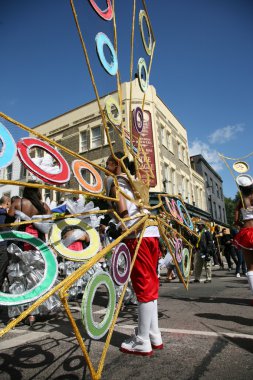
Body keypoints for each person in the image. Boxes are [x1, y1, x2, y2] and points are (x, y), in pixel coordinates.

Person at [105, 152, 162, 356]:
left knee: (143, 286)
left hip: (137, 235)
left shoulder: (116, 183)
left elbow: (124, 213)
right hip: (152, 232)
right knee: (151, 282)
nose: (106, 166)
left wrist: (119, 227)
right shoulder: (135, 181)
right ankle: (154, 334)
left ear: (115, 164)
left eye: (108, 163)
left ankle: (142, 340)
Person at [7, 182, 58, 325]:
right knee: (35, 280)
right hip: (38, 246)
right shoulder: (44, 206)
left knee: (18, 279)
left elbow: (8, 218)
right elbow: (48, 227)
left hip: (20, 244)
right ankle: (32, 314)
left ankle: (15, 313)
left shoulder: (18, 202)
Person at [234, 174, 253, 304]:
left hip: (246, 233)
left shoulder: (241, 201)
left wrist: (242, 224)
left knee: (250, 267)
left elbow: (236, 220)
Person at [0, 195, 10, 290]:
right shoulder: (3, 214)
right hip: (2, 245)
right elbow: (3, 227)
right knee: (2, 271)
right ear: (7, 203)